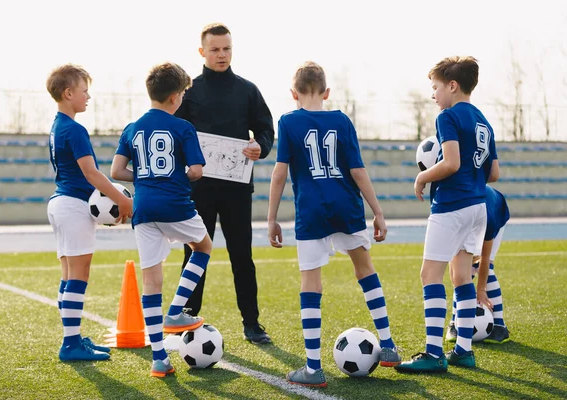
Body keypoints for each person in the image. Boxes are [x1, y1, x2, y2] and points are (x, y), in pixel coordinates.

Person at [267, 61, 401, 387]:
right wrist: (378, 211)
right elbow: (358, 170)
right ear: (327, 92)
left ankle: (313, 368)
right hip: (346, 205)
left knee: (311, 284)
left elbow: (280, 173)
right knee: (365, 270)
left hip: (310, 211)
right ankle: (388, 345)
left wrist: (271, 218)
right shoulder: (341, 120)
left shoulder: (287, 122)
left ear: (293, 94)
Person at [395, 56, 500, 373]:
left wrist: (423, 177)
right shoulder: (484, 122)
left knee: (430, 276)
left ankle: (433, 353)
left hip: (451, 207)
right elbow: (493, 172)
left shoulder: (448, 116)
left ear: (452, 86)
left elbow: (451, 162)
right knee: (460, 278)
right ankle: (463, 351)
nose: (433, 95)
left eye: (435, 87)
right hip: (478, 208)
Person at [174, 22, 275, 344]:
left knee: (241, 256)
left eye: (226, 48)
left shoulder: (247, 89)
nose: (222, 54)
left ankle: (252, 324)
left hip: (236, 189)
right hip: (198, 188)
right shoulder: (189, 91)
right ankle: (184, 318)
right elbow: (175, 130)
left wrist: (260, 145)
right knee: (194, 254)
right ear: (202, 51)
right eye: (215, 49)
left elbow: (265, 130)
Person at [111, 62, 213, 377]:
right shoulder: (182, 127)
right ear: (174, 97)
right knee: (203, 247)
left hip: (143, 208)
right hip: (175, 204)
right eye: (183, 92)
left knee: (152, 281)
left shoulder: (132, 128)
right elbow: (196, 170)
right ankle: (175, 312)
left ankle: (159, 360)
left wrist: (144, 178)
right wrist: (175, 174)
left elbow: (116, 172)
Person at [45, 64, 133, 362]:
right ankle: (70, 344)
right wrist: (122, 200)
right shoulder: (74, 128)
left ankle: (72, 338)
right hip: (72, 206)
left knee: (69, 275)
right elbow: (92, 173)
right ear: (68, 93)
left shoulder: (57, 126)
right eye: (84, 91)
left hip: (60, 204)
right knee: (79, 275)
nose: (88, 97)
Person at [446, 184, 511, 344]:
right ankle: (455, 323)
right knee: (463, 271)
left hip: (497, 210)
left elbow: (485, 258)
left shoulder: (488, 216)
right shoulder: (450, 213)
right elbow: (453, 262)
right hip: (468, 216)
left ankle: (499, 325)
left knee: (483, 268)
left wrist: (481, 290)